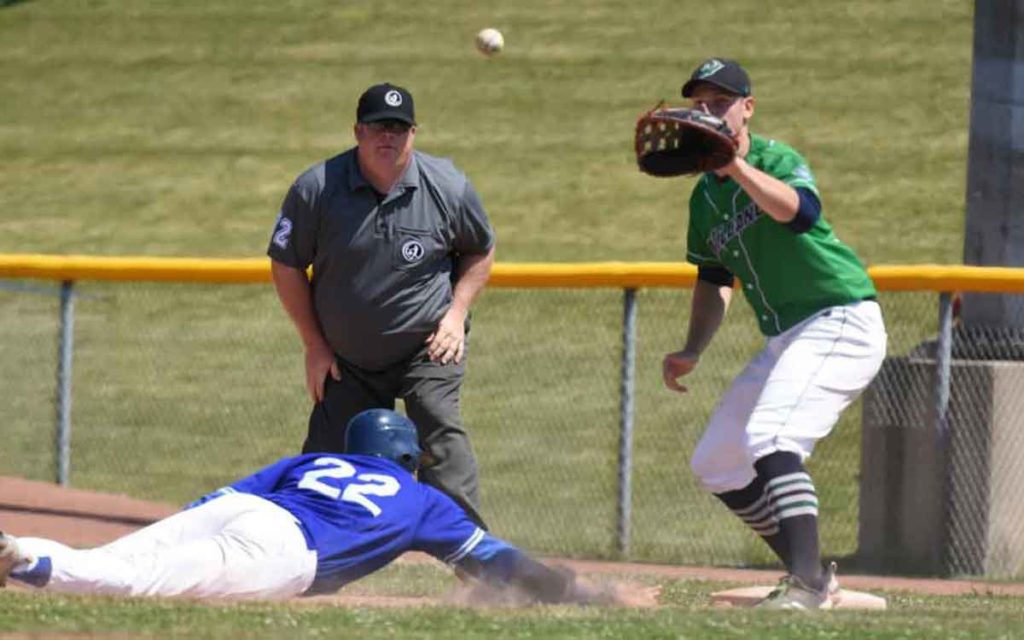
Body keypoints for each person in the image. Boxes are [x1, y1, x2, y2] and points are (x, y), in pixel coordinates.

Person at [0, 410, 658, 607]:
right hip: (284, 552)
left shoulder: (312, 460)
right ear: (407, 458)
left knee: (118, 559)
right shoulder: (424, 498)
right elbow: (495, 559)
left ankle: (24, 548)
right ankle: (29, 566)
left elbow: (219, 500)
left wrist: (180, 529)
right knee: (139, 585)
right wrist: (575, 592)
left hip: (245, 512)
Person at [660, 58, 888, 610]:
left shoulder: (775, 159)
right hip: (788, 336)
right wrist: (693, 348)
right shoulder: (703, 199)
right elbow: (714, 278)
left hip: (839, 317)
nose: (708, 111)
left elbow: (801, 214)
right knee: (716, 460)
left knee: (774, 438)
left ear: (748, 108)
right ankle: (813, 575)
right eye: (700, 103)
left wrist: (735, 165)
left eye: (720, 102)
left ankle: (807, 586)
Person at [267, 82, 496, 527]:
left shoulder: (447, 186)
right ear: (357, 132)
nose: (387, 137)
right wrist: (314, 344)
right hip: (346, 356)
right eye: (377, 127)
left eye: (397, 127)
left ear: (414, 133)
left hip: (427, 345)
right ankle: (304, 548)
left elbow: (480, 249)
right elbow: (287, 265)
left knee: (440, 430)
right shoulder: (317, 189)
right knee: (325, 462)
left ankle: (472, 555)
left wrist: (456, 313)